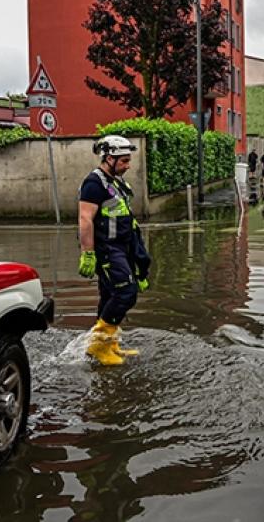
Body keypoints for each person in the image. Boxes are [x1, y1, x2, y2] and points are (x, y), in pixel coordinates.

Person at [77, 135, 151, 365]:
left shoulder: (115, 181)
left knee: (109, 295)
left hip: (123, 246)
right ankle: (99, 345)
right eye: (124, 161)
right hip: (107, 249)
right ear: (109, 158)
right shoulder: (93, 183)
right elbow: (85, 219)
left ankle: (110, 344)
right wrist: (88, 253)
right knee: (125, 293)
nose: (128, 165)